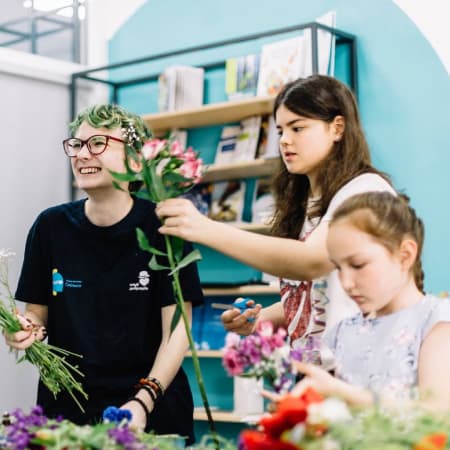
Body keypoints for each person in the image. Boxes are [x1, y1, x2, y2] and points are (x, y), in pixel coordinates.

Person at [3, 104, 203, 444]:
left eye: (98, 143)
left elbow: (177, 333)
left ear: (136, 161)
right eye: (76, 145)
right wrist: (25, 332)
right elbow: (36, 316)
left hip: (152, 412)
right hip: (67, 416)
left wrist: (143, 400)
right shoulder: (50, 227)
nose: (82, 154)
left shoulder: (164, 226)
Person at [155, 74, 395, 352]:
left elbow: (312, 261)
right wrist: (260, 319)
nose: (284, 141)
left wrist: (205, 228)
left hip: (364, 375)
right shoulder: (308, 203)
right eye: (281, 131)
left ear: (337, 128)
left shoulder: (366, 191)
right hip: (315, 376)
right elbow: (317, 294)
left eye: (298, 128)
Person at [279, 191, 450, 410]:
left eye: (358, 265)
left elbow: (438, 415)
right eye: (338, 268)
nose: (346, 283)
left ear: (405, 255)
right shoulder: (343, 331)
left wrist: (341, 392)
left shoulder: (437, 322)